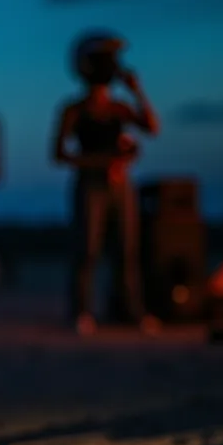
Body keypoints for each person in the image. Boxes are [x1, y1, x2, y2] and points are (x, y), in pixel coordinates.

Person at [52, 30, 161, 336]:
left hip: (120, 185)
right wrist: (103, 160)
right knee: (87, 249)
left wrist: (137, 91)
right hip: (90, 186)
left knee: (127, 249)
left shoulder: (119, 108)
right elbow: (59, 154)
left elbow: (151, 127)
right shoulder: (73, 110)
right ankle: (82, 311)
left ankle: (132, 310)